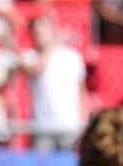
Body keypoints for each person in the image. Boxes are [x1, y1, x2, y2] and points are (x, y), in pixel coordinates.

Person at [19, 15, 89, 151]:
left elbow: (82, 92)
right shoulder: (29, 56)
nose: (39, 33)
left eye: (43, 29)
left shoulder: (73, 57)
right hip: (42, 128)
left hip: (69, 127)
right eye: (35, 31)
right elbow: (36, 69)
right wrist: (54, 43)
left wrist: (83, 123)